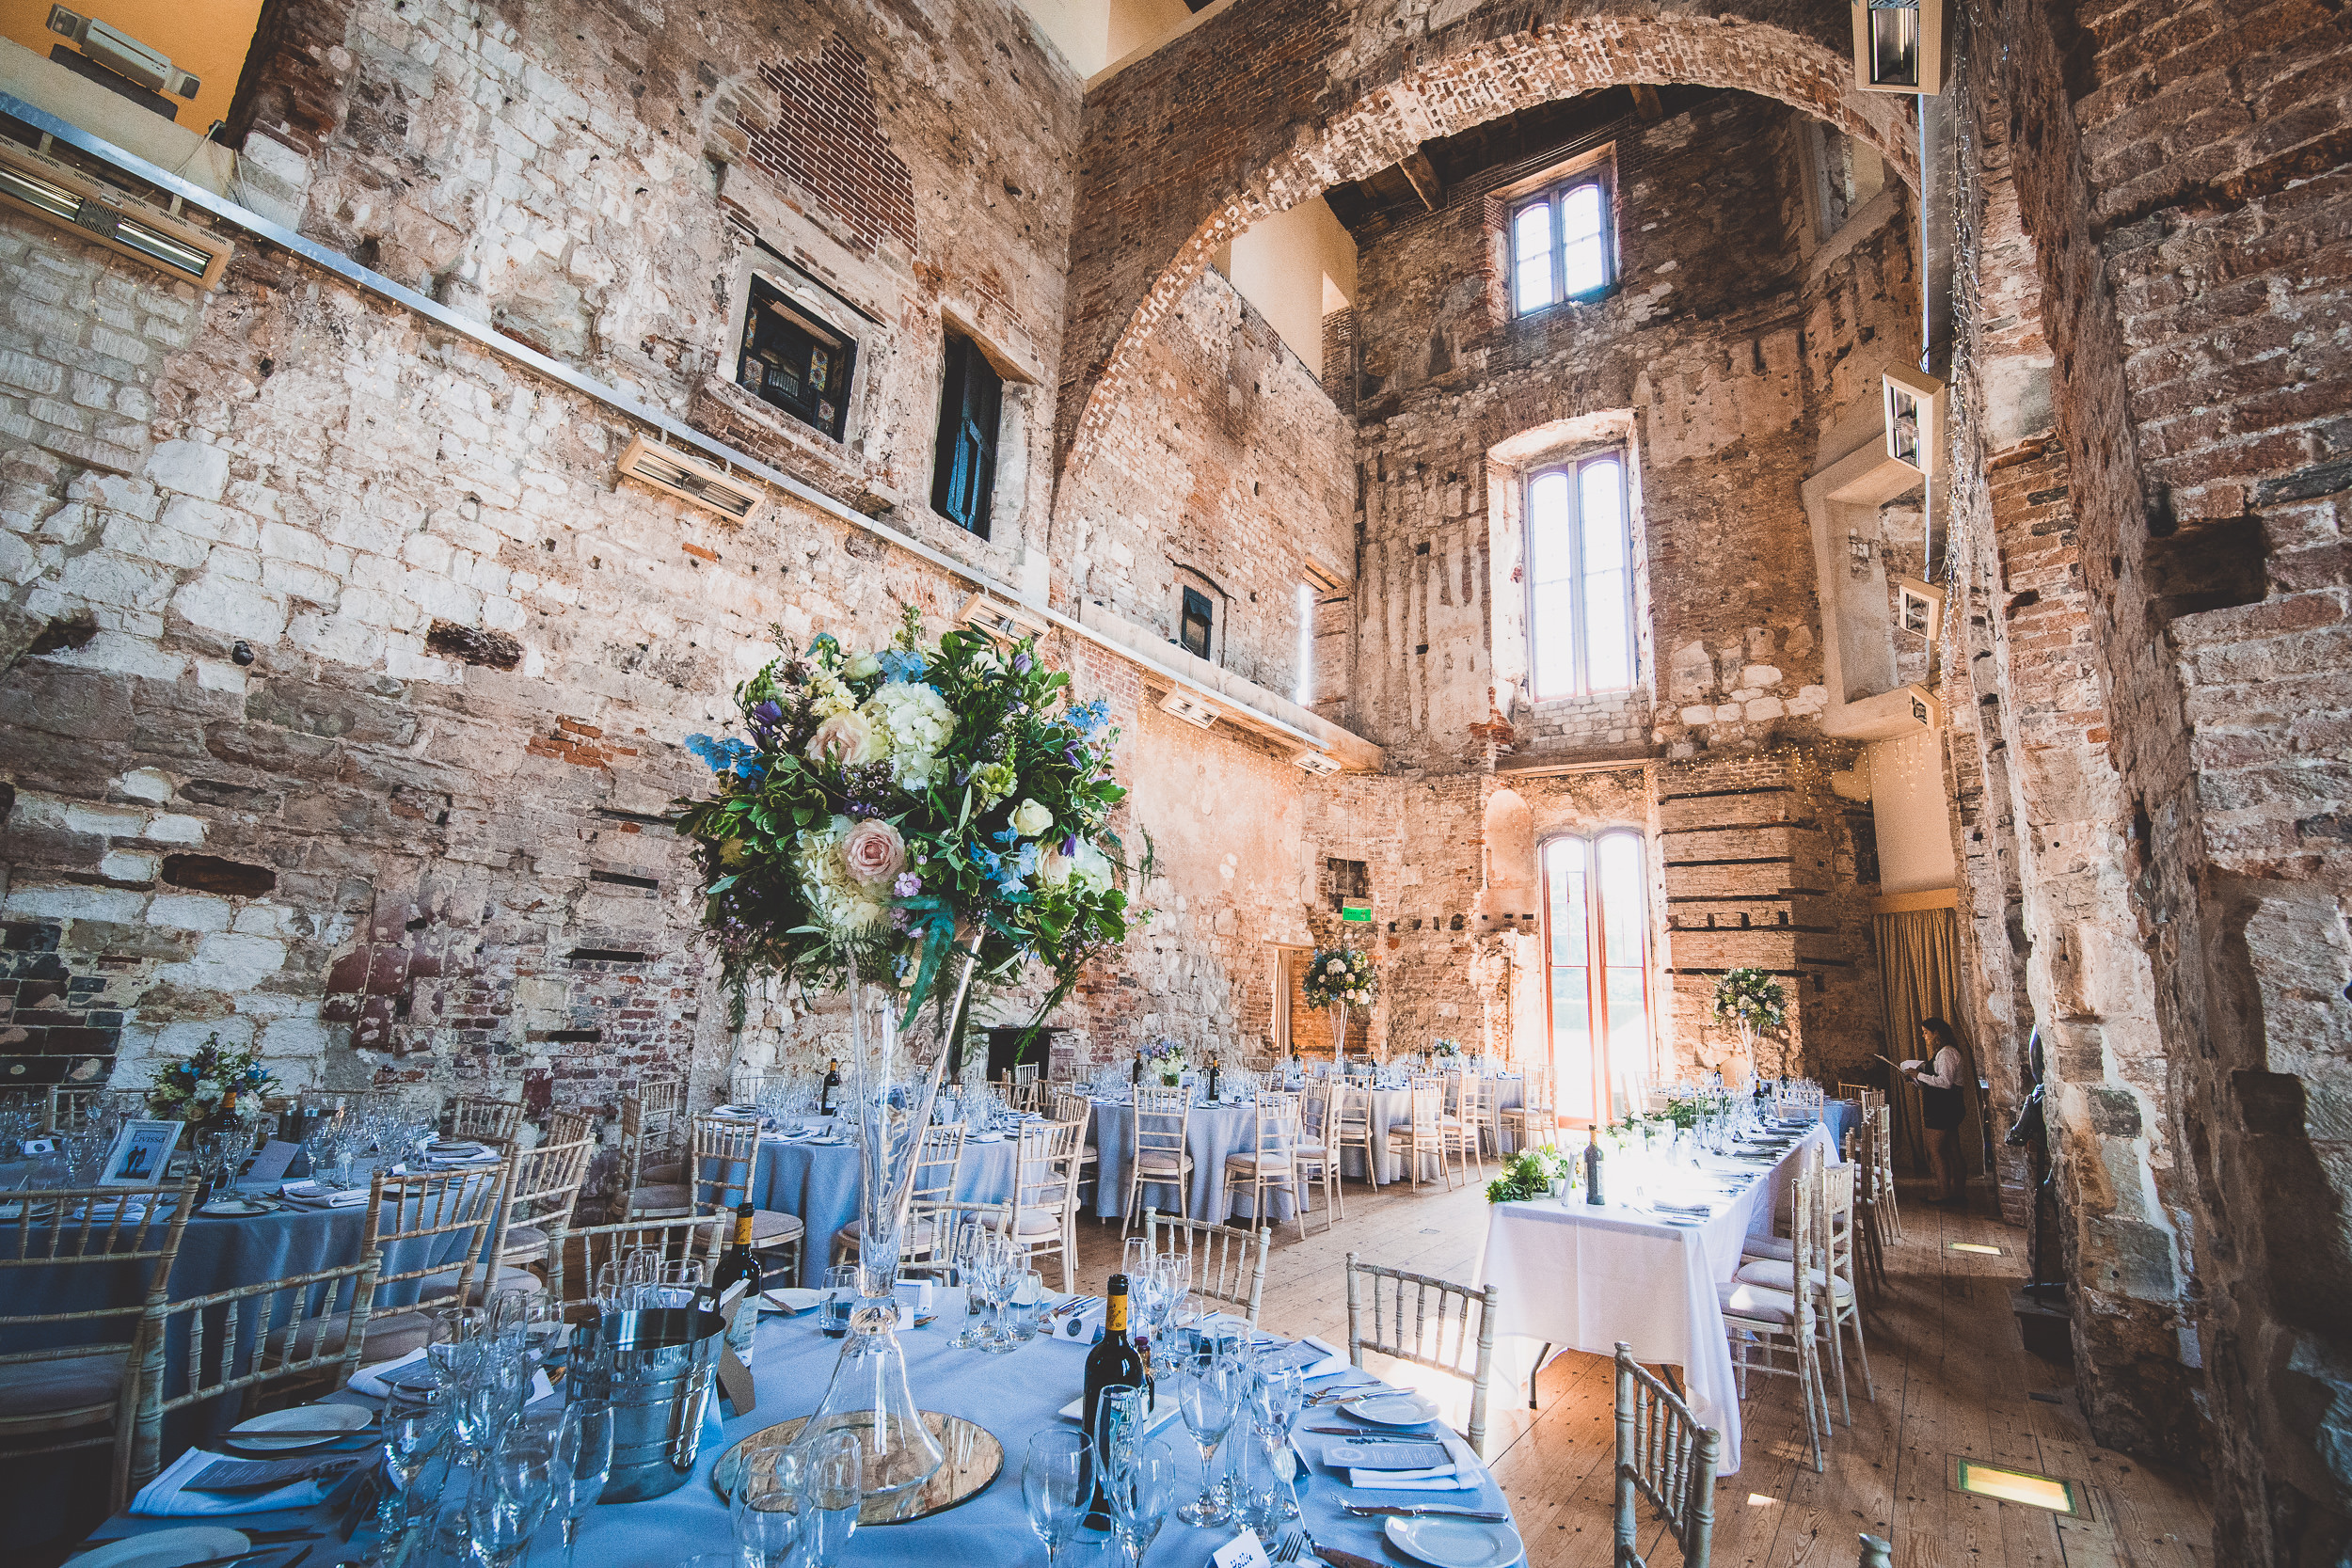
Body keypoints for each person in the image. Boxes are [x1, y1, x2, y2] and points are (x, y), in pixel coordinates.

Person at [1900, 1018, 1968, 1205]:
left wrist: (1918, 1075)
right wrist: (1918, 1080)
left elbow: (1945, 1083)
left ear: (1936, 1033)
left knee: (1935, 1150)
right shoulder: (1945, 1052)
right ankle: (1956, 1192)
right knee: (1951, 1149)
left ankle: (1945, 1192)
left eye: (1925, 1032)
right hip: (1947, 1105)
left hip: (1942, 1107)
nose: (1924, 1036)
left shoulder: (1946, 1053)